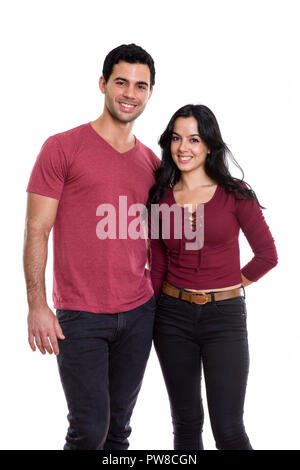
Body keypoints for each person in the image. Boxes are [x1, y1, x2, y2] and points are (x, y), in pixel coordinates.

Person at [23, 43, 160, 450]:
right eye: (121, 82)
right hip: (80, 316)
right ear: (103, 84)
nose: (130, 93)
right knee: (89, 430)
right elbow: (36, 229)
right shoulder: (62, 147)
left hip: (138, 313)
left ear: (150, 93)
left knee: (118, 432)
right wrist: (36, 304)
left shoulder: (152, 162)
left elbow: (157, 239)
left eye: (140, 85)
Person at [147, 104, 278, 450]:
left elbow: (267, 255)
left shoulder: (235, 194)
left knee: (229, 429)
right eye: (177, 138)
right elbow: (158, 266)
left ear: (209, 145)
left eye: (194, 138)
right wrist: (147, 316)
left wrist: (231, 285)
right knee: (186, 425)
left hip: (225, 320)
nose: (183, 148)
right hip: (172, 318)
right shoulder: (160, 200)